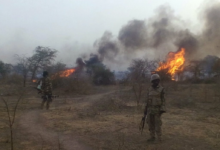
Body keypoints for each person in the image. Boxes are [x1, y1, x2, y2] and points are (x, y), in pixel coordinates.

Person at [143, 74, 166, 142]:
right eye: (155, 81)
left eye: (157, 81)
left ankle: (159, 138)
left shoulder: (161, 89)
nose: (156, 82)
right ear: (152, 81)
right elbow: (147, 100)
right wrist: (145, 109)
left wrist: (162, 109)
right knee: (150, 124)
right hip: (150, 109)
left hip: (157, 110)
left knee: (157, 125)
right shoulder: (149, 89)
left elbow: (163, 100)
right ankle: (152, 137)